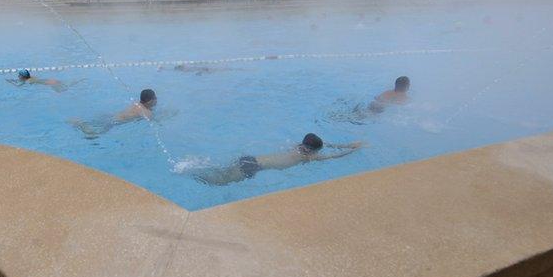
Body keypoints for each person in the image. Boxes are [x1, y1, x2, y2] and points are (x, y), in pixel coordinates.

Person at [193, 133, 363, 186]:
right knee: (217, 182)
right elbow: (332, 155)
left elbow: (324, 144)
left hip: (250, 160)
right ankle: (194, 175)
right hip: (253, 168)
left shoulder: (298, 146)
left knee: (220, 172)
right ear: (314, 150)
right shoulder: (309, 157)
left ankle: (196, 170)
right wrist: (351, 150)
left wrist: (347, 144)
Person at [72, 89, 157, 138]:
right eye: (155, 98)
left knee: (95, 124)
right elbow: (153, 121)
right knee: (93, 135)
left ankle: (80, 122)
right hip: (115, 122)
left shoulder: (136, 104)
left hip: (112, 116)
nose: (156, 100)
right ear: (150, 101)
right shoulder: (147, 112)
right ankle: (79, 124)